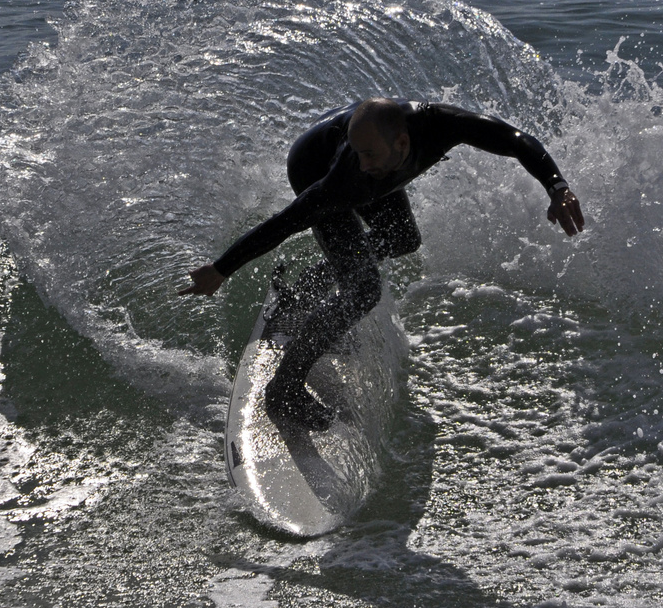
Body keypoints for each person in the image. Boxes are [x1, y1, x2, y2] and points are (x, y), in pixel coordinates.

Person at [178, 98, 584, 431]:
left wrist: (558, 187)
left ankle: (309, 288)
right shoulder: (349, 174)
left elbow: (514, 139)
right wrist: (222, 268)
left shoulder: (441, 125)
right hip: (312, 164)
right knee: (364, 290)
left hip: (372, 157)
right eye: (359, 154)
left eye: (369, 153)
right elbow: (284, 223)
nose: (363, 160)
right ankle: (283, 388)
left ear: (404, 143)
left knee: (404, 239)